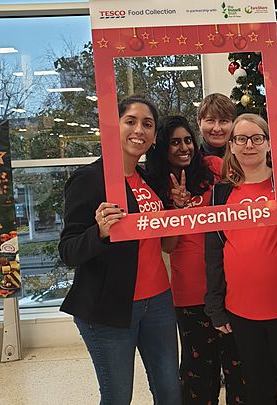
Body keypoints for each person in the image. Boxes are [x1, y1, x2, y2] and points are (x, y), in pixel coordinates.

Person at [59, 95, 181, 405]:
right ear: (114, 127)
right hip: (108, 308)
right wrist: (99, 231)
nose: (139, 130)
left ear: (154, 138)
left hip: (158, 301)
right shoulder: (89, 179)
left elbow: (167, 244)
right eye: (130, 121)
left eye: (148, 124)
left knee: (169, 391)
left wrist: (176, 215)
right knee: (117, 397)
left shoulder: (152, 180)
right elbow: (68, 251)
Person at [204, 113, 277, 405]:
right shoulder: (220, 193)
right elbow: (214, 252)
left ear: (269, 144)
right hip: (242, 314)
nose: (249, 145)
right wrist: (215, 306)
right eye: (241, 139)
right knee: (258, 390)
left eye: (257, 138)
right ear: (231, 146)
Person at [145, 116, 246, 405]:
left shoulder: (213, 169)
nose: (183, 147)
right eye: (175, 142)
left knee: (239, 368)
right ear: (163, 147)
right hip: (189, 292)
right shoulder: (155, 185)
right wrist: (175, 208)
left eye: (187, 140)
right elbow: (168, 246)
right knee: (200, 373)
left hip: (229, 284)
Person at [197, 93, 237, 158]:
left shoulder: (244, 161)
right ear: (199, 123)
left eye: (224, 121)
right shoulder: (189, 162)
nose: (217, 129)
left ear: (233, 123)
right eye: (210, 120)